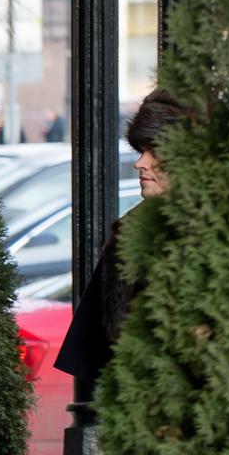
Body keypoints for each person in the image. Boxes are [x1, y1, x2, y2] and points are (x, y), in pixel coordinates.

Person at [53, 89, 184, 386]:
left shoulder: (222, 238)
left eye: (155, 152)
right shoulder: (131, 235)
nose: (140, 163)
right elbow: (97, 355)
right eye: (141, 151)